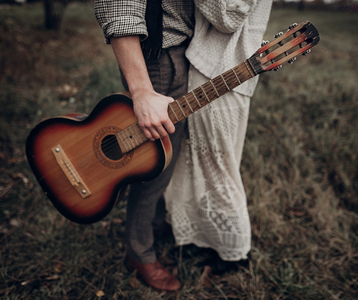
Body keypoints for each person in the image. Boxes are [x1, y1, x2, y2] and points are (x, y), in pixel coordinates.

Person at [95, 0, 272, 291]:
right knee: (153, 165)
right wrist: (141, 91)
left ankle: (153, 225)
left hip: (186, 51)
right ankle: (139, 252)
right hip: (157, 56)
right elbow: (118, 5)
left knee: (172, 156)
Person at [164, 0, 272, 272]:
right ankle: (199, 238)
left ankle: (234, 252)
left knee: (217, 166)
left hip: (225, 69)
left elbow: (229, 15)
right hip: (213, 67)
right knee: (192, 160)